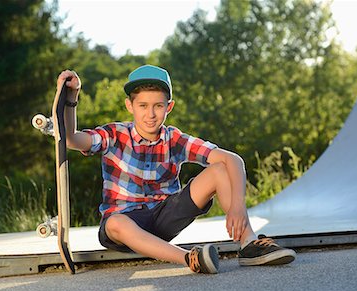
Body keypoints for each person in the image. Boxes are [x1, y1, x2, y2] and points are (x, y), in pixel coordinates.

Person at [59, 65, 296, 274]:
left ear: (169, 107)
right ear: (129, 106)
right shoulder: (113, 135)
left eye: (158, 106)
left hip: (165, 217)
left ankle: (249, 244)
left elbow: (233, 160)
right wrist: (72, 96)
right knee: (114, 223)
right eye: (143, 105)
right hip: (124, 225)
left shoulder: (174, 139)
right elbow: (70, 139)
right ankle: (189, 259)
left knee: (219, 170)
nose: (150, 114)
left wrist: (238, 207)